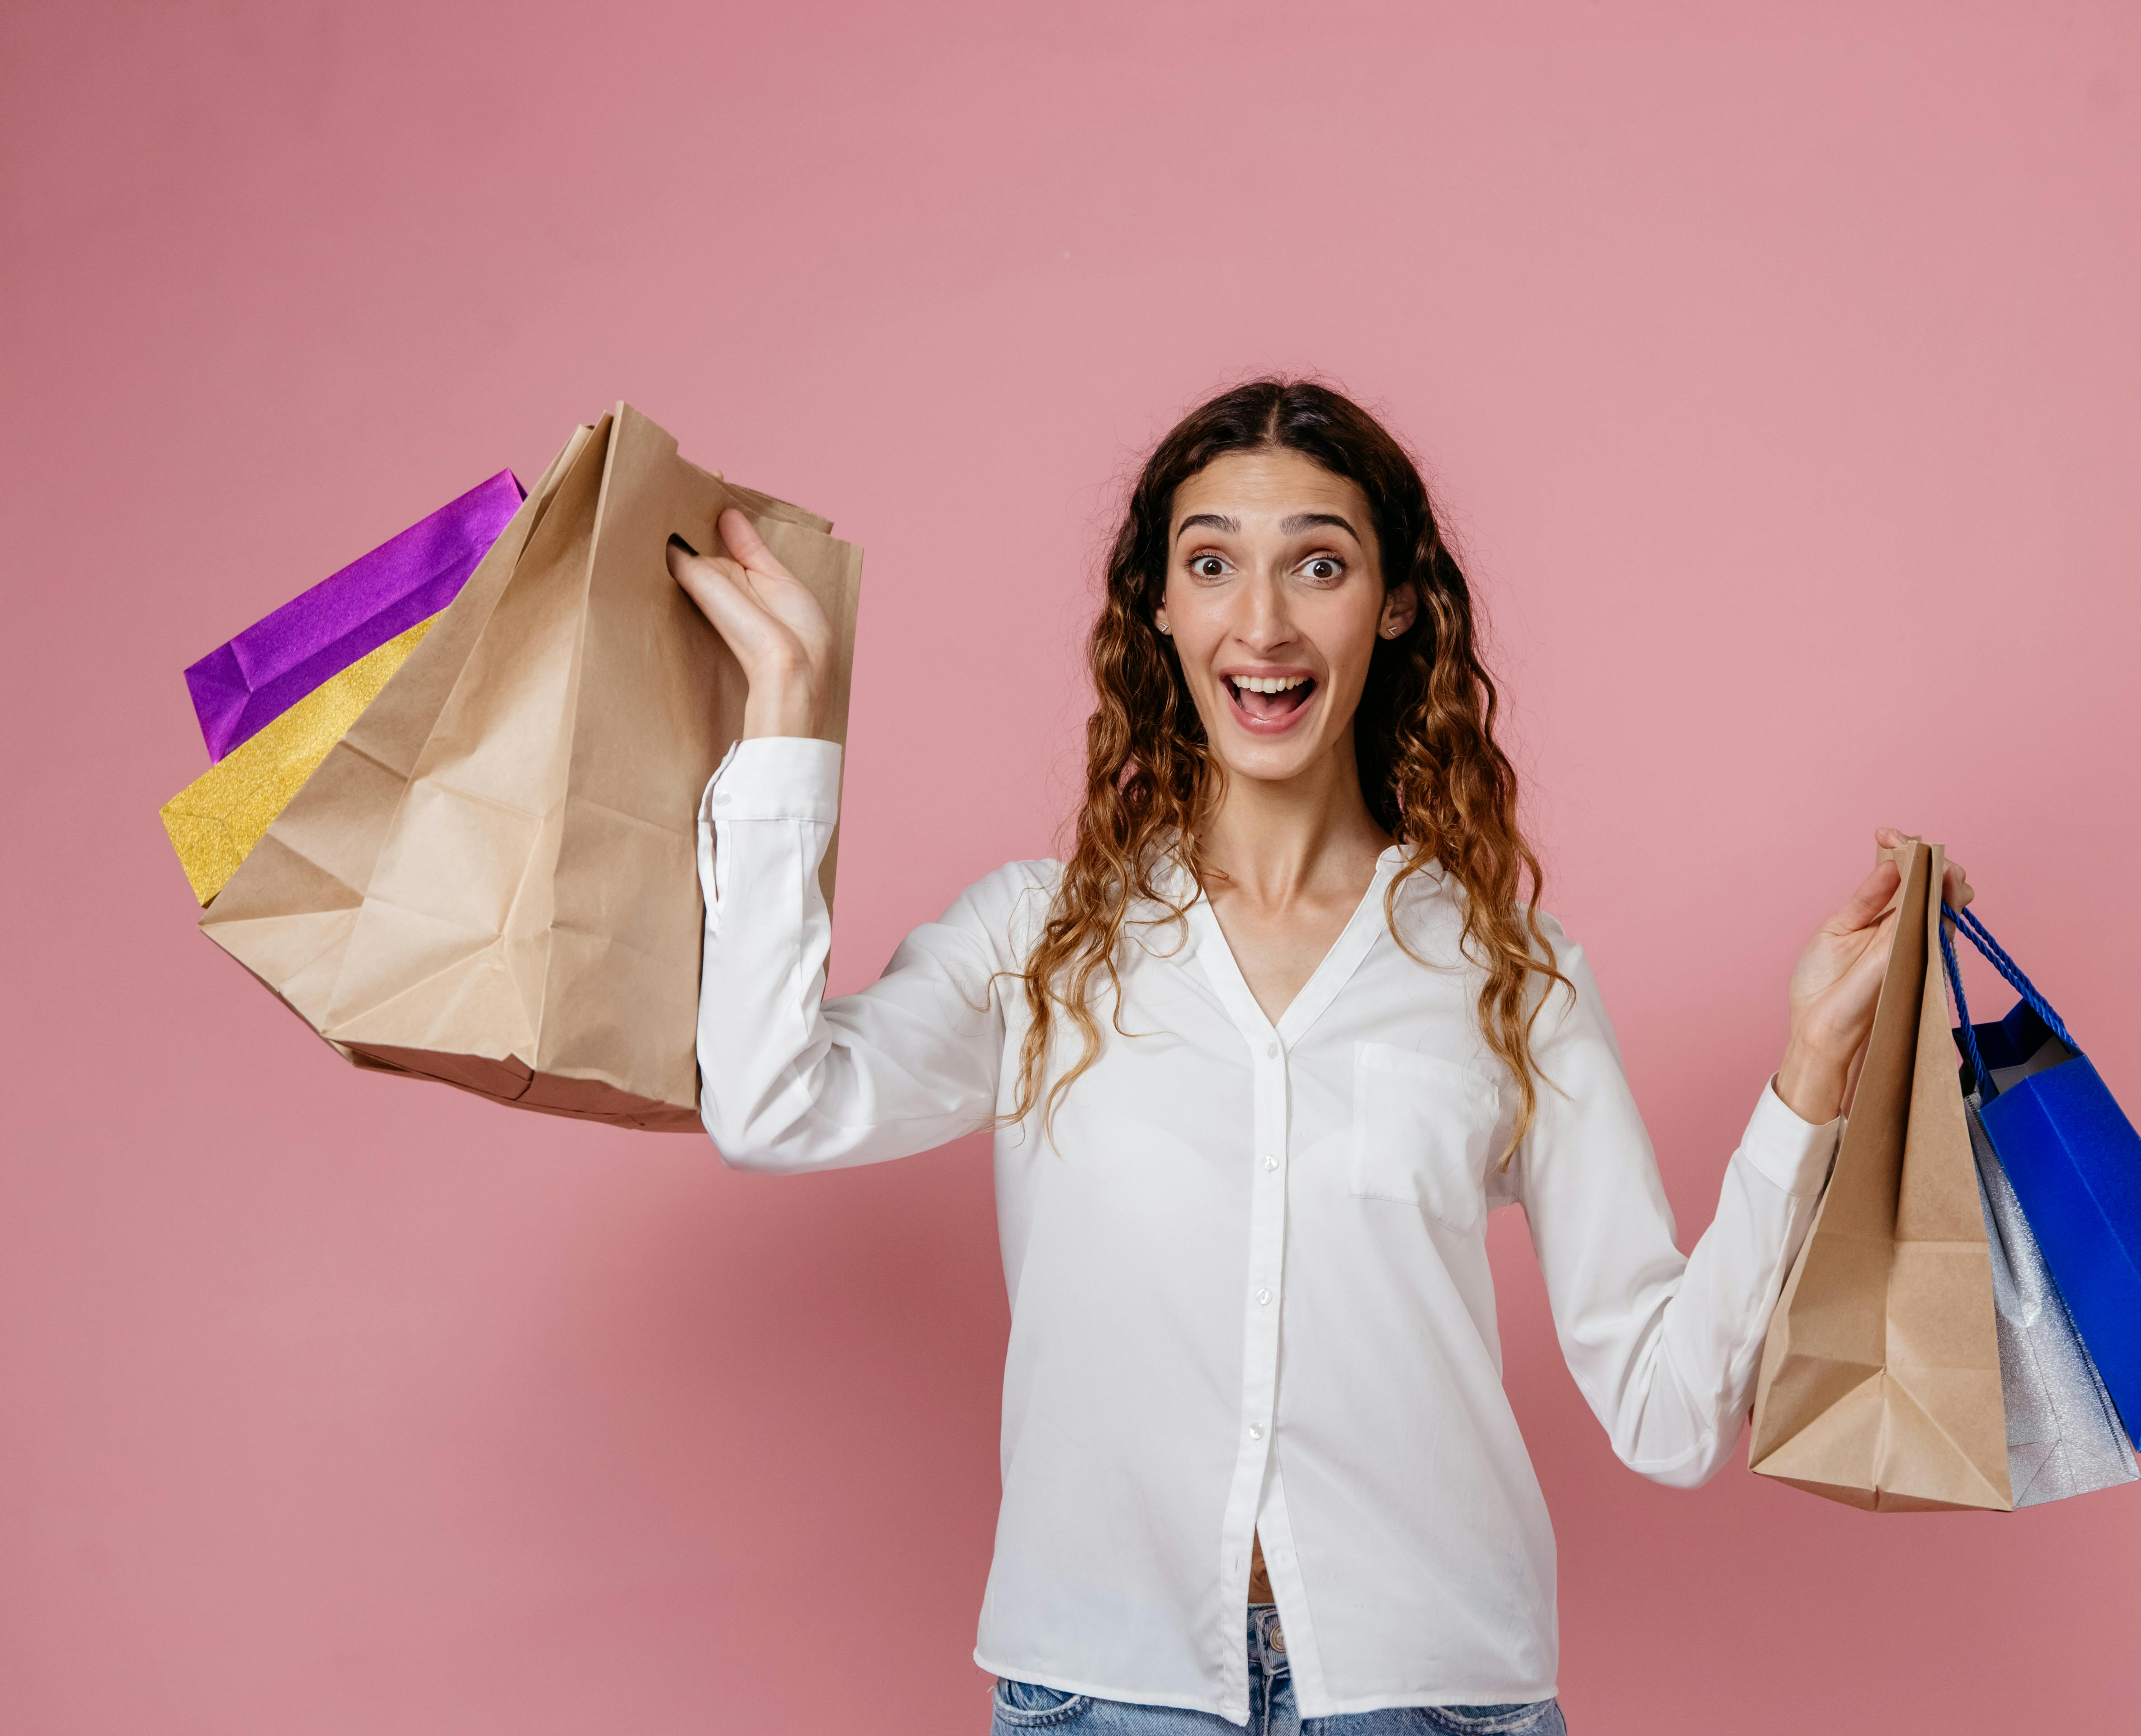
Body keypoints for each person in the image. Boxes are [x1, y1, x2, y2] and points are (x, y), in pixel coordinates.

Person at [668, 379, 1969, 1735]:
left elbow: (1670, 1412)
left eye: (1322, 564)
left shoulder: (1509, 973)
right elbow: (769, 1102)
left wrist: (1813, 1069)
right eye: (1214, 562)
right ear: (1157, 608)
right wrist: (787, 728)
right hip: (1105, 1690)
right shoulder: (1038, 940)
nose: (1265, 622)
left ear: (1396, 603)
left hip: (1436, 1696)